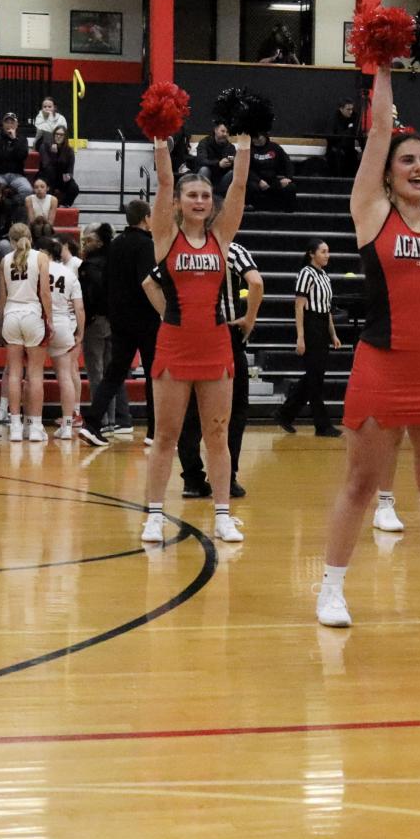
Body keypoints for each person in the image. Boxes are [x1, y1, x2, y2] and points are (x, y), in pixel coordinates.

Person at [314, 59, 420, 628]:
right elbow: (379, 131)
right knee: (361, 484)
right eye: (407, 160)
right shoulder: (372, 213)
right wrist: (381, 64)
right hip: (380, 365)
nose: (419, 165)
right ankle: (331, 590)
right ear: (386, 173)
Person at [131, 124, 250, 545]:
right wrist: (161, 141)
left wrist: (245, 144)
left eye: (204, 196)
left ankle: (222, 515)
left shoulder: (221, 238)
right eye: (191, 196)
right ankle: (154, 515)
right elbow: (163, 181)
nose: (199, 201)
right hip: (174, 345)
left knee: (218, 435)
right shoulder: (166, 237)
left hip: (216, 345)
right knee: (165, 435)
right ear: (179, 203)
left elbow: (237, 189)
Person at [177, 237, 262, 499]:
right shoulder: (232, 249)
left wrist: (169, 316)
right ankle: (227, 477)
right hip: (226, 334)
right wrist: (249, 319)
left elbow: (150, 282)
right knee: (234, 410)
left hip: (189, 335)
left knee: (190, 411)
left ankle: (192, 478)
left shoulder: (179, 250)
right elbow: (256, 282)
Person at [77, 200, 159, 444]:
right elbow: (147, 283)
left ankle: (92, 423)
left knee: (114, 373)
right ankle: (154, 432)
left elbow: (107, 283)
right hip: (144, 318)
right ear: (145, 218)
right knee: (153, 374)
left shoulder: (115, 244)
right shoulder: (146, 245)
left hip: (119, 319)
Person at [0, 222, 54, 442]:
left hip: (11, 314)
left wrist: (1, 325)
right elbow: (45, 294)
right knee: (35, 375)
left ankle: (16, 425)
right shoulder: (41, 258)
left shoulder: (4, 261)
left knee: (14, 374)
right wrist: (50, 320)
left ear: (11, 241)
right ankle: (36, 427)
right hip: (32, 314)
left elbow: (1, 299)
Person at [278, 238, 340, 434]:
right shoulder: (306, 274)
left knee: (314, 376)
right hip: (310, 324)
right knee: (315, 379)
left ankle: (284, 413)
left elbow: (328, 310)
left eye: (328, 251)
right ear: (311, 254)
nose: (327, 255)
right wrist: (300, 337)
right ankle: (322, 425)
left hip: (322, 326)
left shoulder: (325, 277)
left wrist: (333, 334)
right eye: (323, 251)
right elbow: (299, 306)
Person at [43, 235, 86, 441]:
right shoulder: (69, 274)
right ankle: (68, 425)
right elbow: (79, 307)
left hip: (40, 323)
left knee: (32, 374)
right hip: (63, 324)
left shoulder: (37, 270)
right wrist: (80, 333)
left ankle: (30, 424)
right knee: (66, 376)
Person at [0, 112, 35, 200]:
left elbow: (22, 156)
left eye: (12, 122)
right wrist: (11, 154)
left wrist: (14, 140)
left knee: (27, 190)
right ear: (3, 124)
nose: (9, 125)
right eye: (7, 122)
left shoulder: (22, 139)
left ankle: (11, 205)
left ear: (16, 125)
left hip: (17, 175)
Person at [245, 131, 296, 212]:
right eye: (253, 138)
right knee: (251, 187)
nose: (255, 140)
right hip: (255, 181)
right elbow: (245, 168)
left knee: (290, 187)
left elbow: (288, 163)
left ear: (264, 136)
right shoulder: (248, 149)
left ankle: (288, 215)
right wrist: (259, 181)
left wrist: (288, 178)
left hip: (272, 180)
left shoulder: (275, 147)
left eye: (257, 138)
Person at [38, 128, 79, 208]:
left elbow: (70, 171)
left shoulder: (69, 150)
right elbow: (46, 165)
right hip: (46, 177)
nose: (58, 137)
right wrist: (54, 154)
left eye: (61, 135)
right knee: (50, 172)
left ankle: (63, 205)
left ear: (65, 137)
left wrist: (68, 176)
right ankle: (48, 205)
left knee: (74, 187)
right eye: (57, 134)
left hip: (61, 177)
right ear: (53, 135)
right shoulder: (45, 146)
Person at [198, 123, 238, 195]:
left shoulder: (231, 147)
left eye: (227, 132)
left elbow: (236, 165)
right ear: (215, 130)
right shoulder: (204, 143)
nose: (225, 134)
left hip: (222, 180)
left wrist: (232, 162)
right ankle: (202, 195)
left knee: (233, 172)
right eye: (223, 131)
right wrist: (218, 164)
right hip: (207, 177)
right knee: (204, 169)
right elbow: (201, 160)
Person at [324, 99, 362, 176]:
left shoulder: (355, 117)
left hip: (350, 151)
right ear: (341, 109)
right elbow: (330, 136)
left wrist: (363, 149)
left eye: (352, 109)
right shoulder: (333, 119)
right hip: (335, 150)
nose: (351, 112)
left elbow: (359, 135)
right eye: (348, 109)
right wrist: (348, 131)